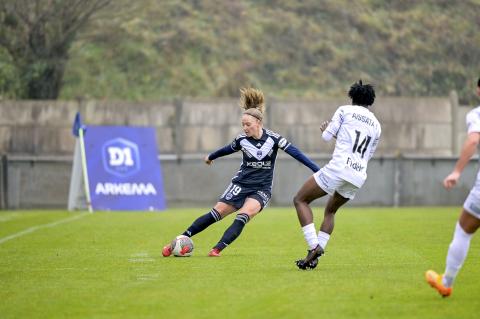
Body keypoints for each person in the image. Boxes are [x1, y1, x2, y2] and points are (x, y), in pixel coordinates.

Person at [162, 87, 320, 257]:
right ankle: (178, 241)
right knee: (216, 214)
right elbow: (227, 149)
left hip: (262, 188)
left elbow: (297, 154)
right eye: (243, 124)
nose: (245, 128)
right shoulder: (242, 140)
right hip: (240, 184)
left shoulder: (275, 139)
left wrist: (317, 171)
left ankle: (216, 249)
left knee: (243, 216)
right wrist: (211, 156)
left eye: (248, 124)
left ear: (258, 123)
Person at [292, 80, 381, 270]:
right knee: (330, 211)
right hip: (358, 174)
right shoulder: (376, 125)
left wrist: (327, 130)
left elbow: (326, 137)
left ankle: (314, 246)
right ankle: (313, 257)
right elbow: (368, 155)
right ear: (370, 101)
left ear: (352, 97)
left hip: (338, 168)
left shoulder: (344, 111)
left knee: (300, 199)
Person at [425, 78, 480, 297]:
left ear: (478, 90)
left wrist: (457, 171)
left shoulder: (476, 114)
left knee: (464, 230)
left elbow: (473, 140)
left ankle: (446, 282)